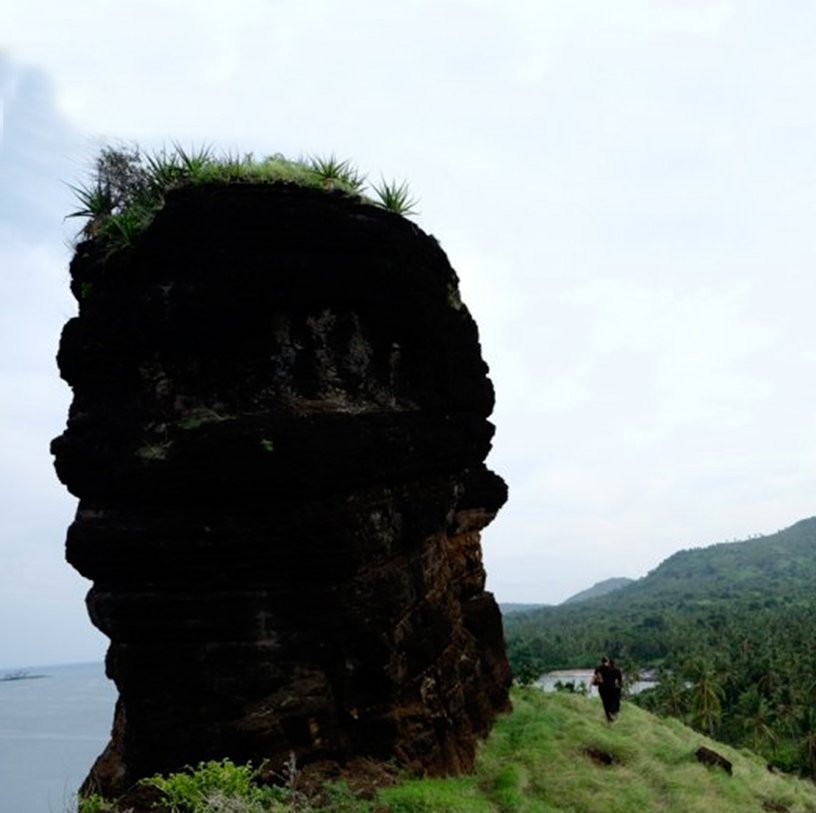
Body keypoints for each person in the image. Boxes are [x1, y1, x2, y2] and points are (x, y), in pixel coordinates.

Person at [592, 656, 622, 722]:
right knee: (610, 701)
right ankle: (611, 713)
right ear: (608, 662)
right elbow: (617, 680)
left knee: (605, 702)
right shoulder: (612, 669)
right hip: (610, 688)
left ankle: (608, 717)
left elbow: (594, 677)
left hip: (601, 688)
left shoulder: (598, 668)